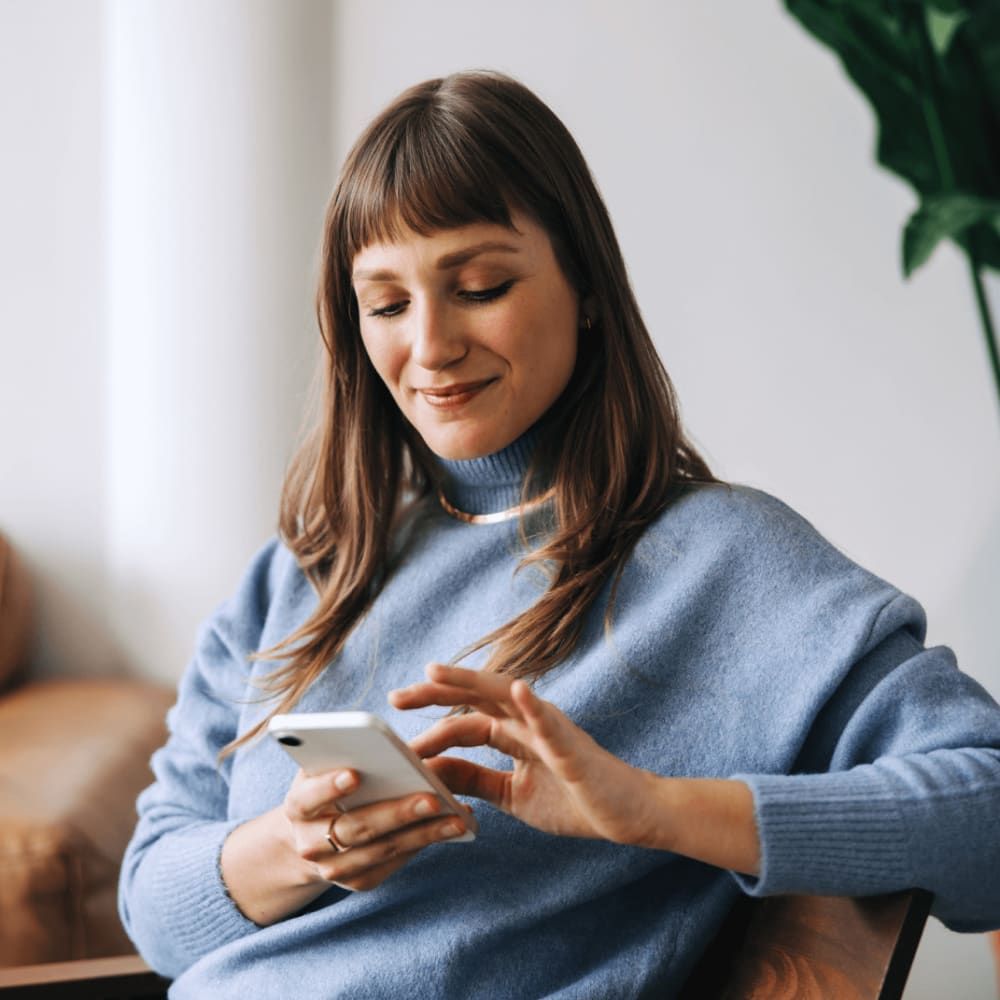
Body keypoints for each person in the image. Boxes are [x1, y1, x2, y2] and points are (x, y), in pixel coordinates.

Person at [118, 70, 1000, 999]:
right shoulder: (304, 575)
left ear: (583, 284)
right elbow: (152, 906)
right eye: (386, 304)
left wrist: (659, 810)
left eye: (481, 285)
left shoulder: (723, 563)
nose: (430, 346)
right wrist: (297, 848)